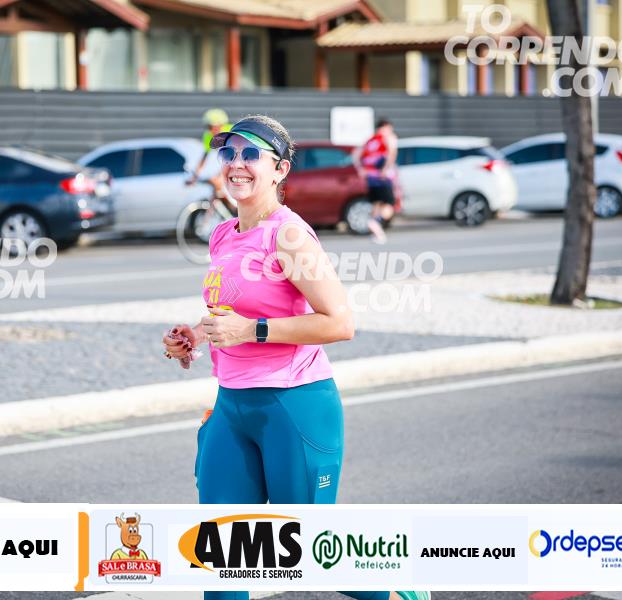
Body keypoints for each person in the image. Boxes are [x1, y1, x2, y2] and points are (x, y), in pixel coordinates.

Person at [162, 115, 427, 600]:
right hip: (232, 407)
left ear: (280, 170)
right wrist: (195, 336)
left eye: (251, 154)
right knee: (221, 566)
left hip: (294, 404)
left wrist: (251, 331)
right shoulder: (222, 235)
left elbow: (339, 322)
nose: (236, 164)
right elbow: (229, 314)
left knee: (308, 556)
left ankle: (399, 592)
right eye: (228, 153)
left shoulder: (289, 236)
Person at [361, 118, 399, 244]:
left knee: (377, 204)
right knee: (389, 206)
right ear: (386, 127)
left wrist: (362, 170)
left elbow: (357, 155)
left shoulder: (371, 140)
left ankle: (377, 233)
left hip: (371, 178)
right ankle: (375, 222)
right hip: (383, 177)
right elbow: (392, 153)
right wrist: (385, 169)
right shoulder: (388, 138)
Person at [187, 108, 233, 203]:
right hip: (227, 163)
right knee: (217, 186)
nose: (212, 130)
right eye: (209, 127)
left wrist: (221, 175)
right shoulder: (208, 136)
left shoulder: (232, 131)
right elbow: (204, 157)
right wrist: (195, 176)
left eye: (215, 127)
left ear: (222, 125)